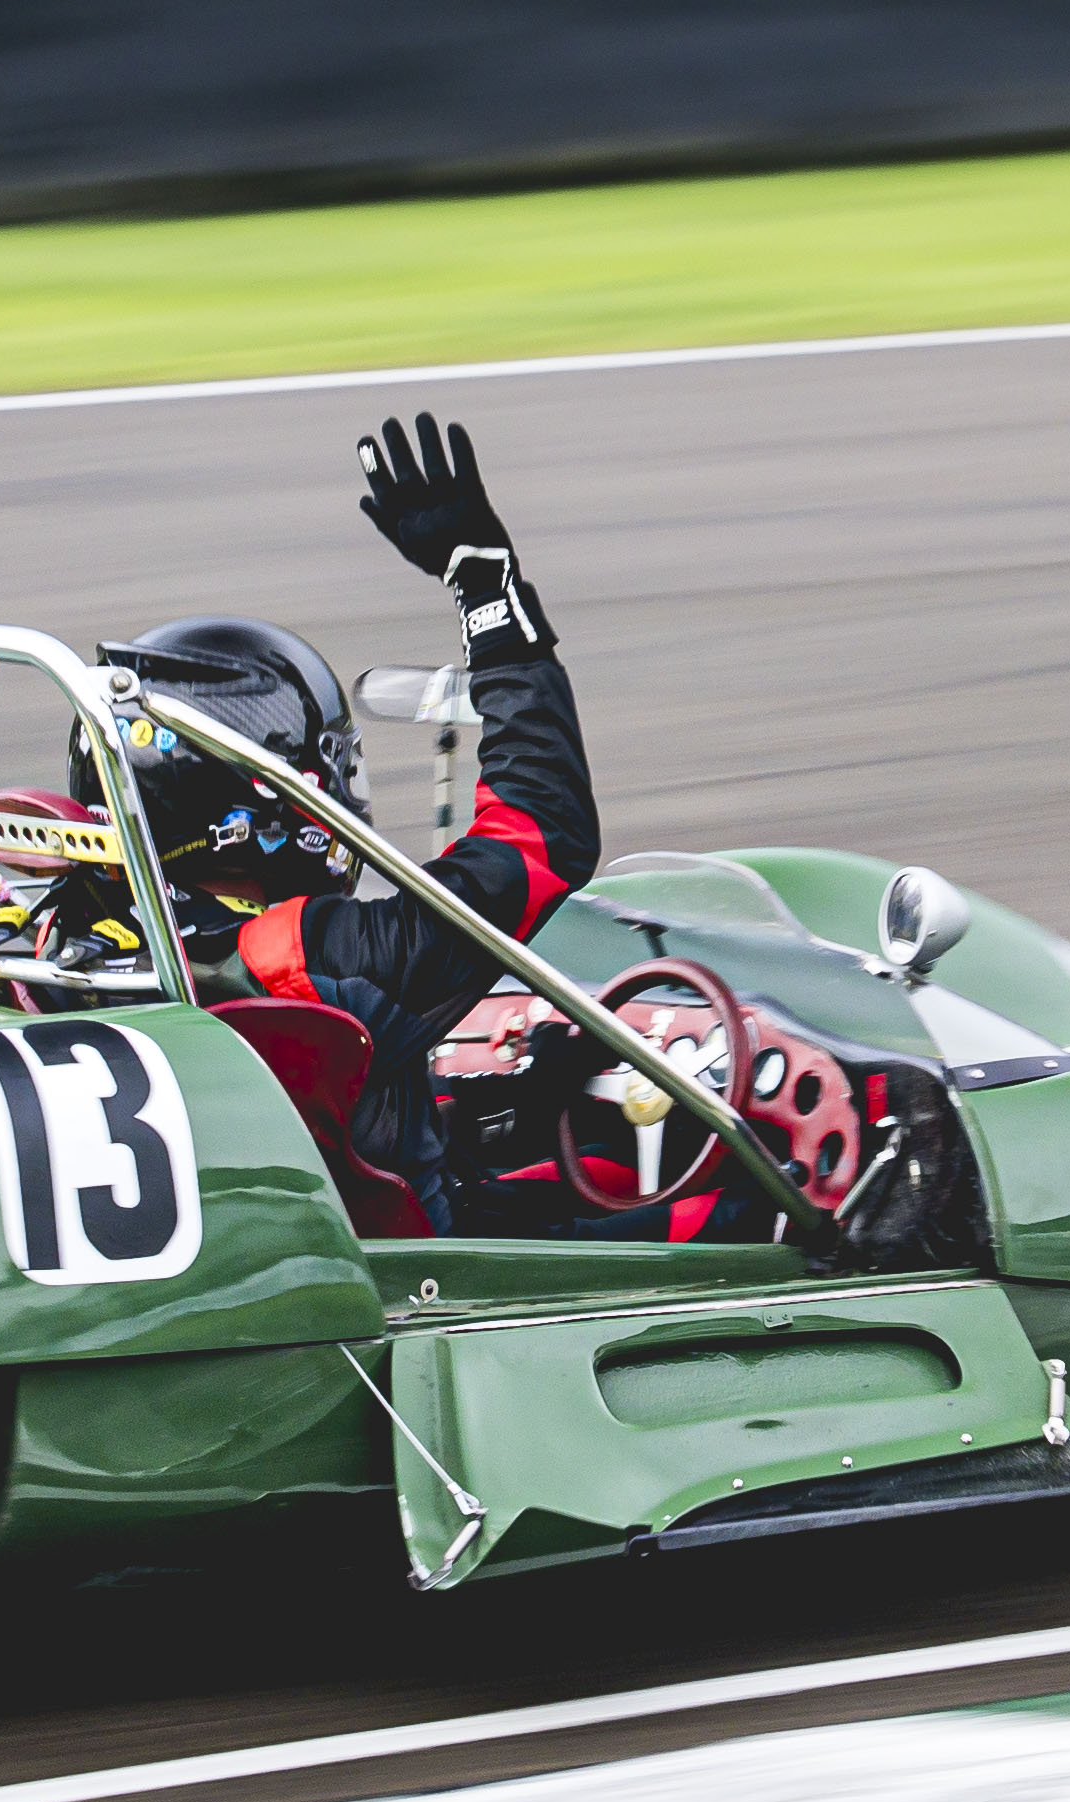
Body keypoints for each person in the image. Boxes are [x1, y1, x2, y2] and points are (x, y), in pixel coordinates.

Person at [102, 413, 657, 1236]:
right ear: (268, 800)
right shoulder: (307, 959)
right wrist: (486, 585)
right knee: (722, 1203)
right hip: (419, 1282)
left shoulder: (50, 939)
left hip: (237, 1238)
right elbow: (545, 831)